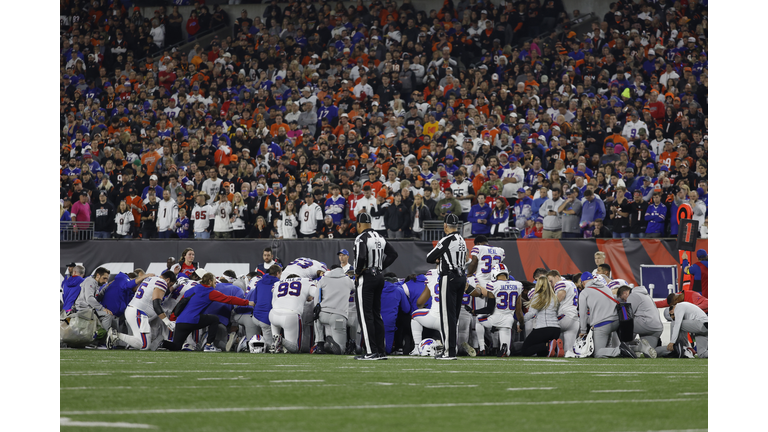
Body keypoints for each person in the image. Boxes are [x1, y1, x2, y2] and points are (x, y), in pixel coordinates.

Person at [162, 272, 253, 351]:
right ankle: (209, 345)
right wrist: (247, 302)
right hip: (193, 320)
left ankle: (161, 343)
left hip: (181, 321)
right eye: (214, 282)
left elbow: (181, 304)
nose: (215, 284)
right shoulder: (210, 291)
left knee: (176, 346)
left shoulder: (192, 289)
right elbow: (228, 299)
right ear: (209, 281)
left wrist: (173, 318)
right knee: (214, 319)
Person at [353, 213, 399, 360]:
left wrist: (357, 272)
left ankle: (371, 351)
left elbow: (361, 257)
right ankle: (380, 350)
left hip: (366, 277)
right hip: (379, 276)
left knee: (365, 315)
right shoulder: (380, 237)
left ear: (359, 224)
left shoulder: (361, 238)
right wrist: (379, 267)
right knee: (376, 315)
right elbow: (393, 254)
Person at [426, 213, 467, 360]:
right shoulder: (462, 240)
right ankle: (451, 349)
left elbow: (429, 257)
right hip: (461, 277)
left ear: (445, 226)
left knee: (447, 316)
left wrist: (440, 258)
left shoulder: (446, 239)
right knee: (454, 316)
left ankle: (449, 352)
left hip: (449, 277)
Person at [107, 270, 177, 350]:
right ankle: (116, 336)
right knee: (144, 345)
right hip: (138, 312)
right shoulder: (162, 282)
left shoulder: (151, 279)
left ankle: (118, 338)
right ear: (167, 280)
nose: (168, 287)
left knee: (144, 343)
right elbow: (156, 305)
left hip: (134, 310)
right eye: (170, 285)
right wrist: (167, 322)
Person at [467, 263, 522, 357]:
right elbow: (519, 310)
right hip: (508, 320)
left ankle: (482, 348)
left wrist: (474, 311)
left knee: (479, 319)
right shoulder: (518, 285)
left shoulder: (492, 285)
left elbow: (489, 309)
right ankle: (504, 348)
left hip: (495, 319)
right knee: (507, 352)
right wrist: (522, 324)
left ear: (494, 274)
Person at [577, 273, 636, 358]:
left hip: (602, 324)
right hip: (616, 321)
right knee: (608, 347)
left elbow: (583, 314)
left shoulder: (584, 292)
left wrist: (583, 331)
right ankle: (631, 347)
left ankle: (620, 350)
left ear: (582, 282)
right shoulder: (605, 288)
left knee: (597, 352)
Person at [270, 274, 317, 353]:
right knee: (295, 348)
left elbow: (273, 302)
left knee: (277, 340)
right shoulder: (306, 281)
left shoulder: (278, 283)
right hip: (290, 314)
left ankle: (277, 344)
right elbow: (316, 293)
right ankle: (281, 340)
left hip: (273, 314)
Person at [314, 265, 354, 354]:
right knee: (341, 350)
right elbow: (356, 289)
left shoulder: (323, 279)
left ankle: (320, 344)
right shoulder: (347, 280)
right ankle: (331, 343)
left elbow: (316, 299)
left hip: (323, 314)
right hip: (338, 316)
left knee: (316, 319)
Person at [520, 276, 563, 357]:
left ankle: (548, 345)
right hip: (556, 330)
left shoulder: (538, 296)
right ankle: (552, 347)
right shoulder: (555, 297)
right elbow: (557, 312)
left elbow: (531, 313)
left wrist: (521, 322)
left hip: (543, 329)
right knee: (541, 354)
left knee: (525, 350)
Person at [617, 285, 663, 358]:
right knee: (649, 353)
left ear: (625, 293)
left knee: (621, 323)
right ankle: (672, 349)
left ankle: (627, 346)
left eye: (624, 299)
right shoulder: (646, 295)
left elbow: (628, 315)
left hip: (646, 323)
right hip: (657, 328)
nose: (625, 301)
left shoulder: (633, 295)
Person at [548, 270, 579, 356]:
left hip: (564, 316)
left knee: (544, 327)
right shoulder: (571, 283)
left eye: (551, 281)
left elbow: (560, 296)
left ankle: (547, 347)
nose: (550, 284)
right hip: (574, 317)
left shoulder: (560, 283)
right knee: (568, 352)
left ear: (557, 277)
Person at [73, 267, 112, 334]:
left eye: (107, 279)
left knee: (108, 316)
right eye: (104, 278)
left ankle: (101, 336)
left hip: (88, 310)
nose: (105, 281)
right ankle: (104, 338)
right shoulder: (90, 281)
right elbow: (90, 299)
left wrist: (105, 288)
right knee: (107, 315)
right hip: (83, 310)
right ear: (98, 275)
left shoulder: (96, 283)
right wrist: (102, 308)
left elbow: (97, 299)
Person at [251, 265, 282, 347]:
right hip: (266, 318)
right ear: (278, 273)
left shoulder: (259, 282)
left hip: (255, 316)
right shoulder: (279, 284)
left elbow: (255, 300)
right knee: (270, 346)